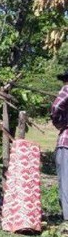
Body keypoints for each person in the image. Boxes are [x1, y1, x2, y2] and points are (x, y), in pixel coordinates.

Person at [51, 69, 68, 224]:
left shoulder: (67, 90)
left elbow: (56, 108)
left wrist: (60, 124)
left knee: (66, 179)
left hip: (67, 141)